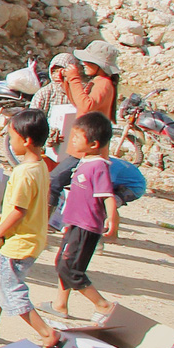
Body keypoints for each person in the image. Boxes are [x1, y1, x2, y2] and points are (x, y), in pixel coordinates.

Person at [0, 108, 61, 348]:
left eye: (11, 138)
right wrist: (6, 214)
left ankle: (46, 332)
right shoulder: (41, 166)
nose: (10, 143)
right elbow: (28, 204)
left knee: (10, 289)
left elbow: (19, 210)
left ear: (26, 140)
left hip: (19, 242)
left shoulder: (23, 173)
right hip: (30, 238)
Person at [52, 111, 119, 319]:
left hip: (86, 226)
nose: (72, 141)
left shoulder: (98, 166)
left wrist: (112, 219)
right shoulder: (85, 161)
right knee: (63, 262)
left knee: (70, 268)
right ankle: (60, 304)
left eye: (76, 137)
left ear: (93, 143)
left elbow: (107, 195)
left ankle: (102, 304)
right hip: (74, 223)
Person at [48, 40, 120, 200]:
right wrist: (67, 82)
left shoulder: (104, 84)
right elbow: (79, 104)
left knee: (52, 182)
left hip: (88, 150)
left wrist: (74, 79)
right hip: (83, 148)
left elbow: (86, 105)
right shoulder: (99, 82)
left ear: (100, 65)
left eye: (89, 61)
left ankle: (43, 222)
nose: (83, 63)